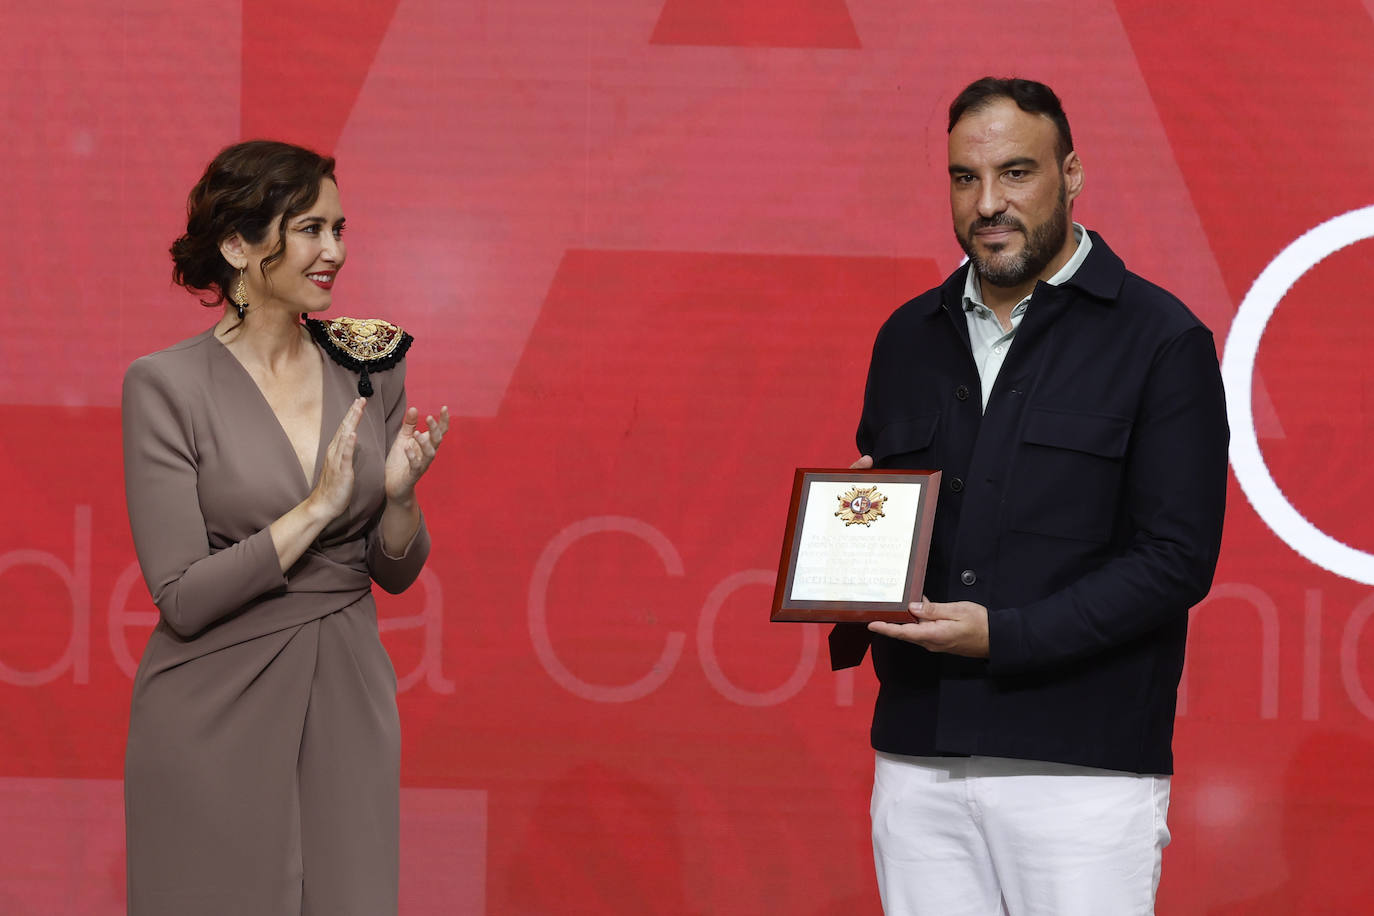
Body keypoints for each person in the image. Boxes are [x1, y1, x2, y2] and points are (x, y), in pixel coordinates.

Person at [831, 77, 1229, 915]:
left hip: (1079, 775)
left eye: (1016, 173)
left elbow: (1176, 561)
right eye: (964, 178)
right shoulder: (907, 336)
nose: (988, 204)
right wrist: (846, 563)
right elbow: (883, 511)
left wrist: (1002, 637)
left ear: (1072, 173)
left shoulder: (1163, 341)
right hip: (918, 763)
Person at [121, 140, 449, 916]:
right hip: (211, 708)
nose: (333, 251)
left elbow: (393, 572)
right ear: (238, 245)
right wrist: (317, 509)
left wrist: (398, 499)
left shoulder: (370, 364)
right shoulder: (164, 386)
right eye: (309, 229)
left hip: (348, 694)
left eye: (339, 229)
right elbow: (181, 598)